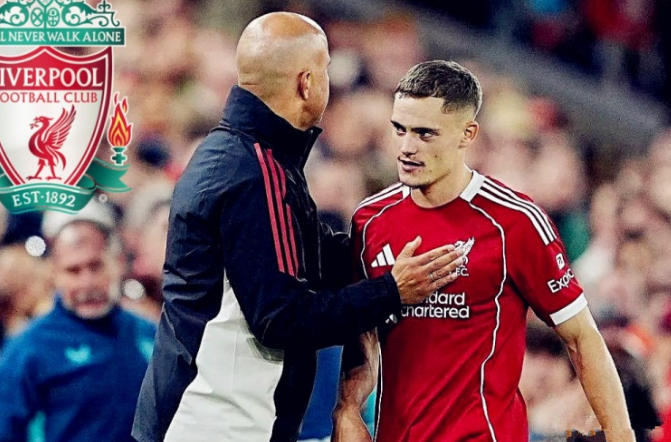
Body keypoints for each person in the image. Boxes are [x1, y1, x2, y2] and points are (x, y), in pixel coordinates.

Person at [132, 12, 464, 442]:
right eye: (325, 69)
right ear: (306, 83)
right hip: (217, 423)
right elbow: (281, 318)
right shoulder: (254, 172)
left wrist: (404, 235)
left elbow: (313, 258)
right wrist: (391, 291)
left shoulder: (246, 156)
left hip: (206, 416)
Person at [333, 60, 636, 442]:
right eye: (400, 129)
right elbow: (363, 334)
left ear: (467, 134)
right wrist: (347, 407)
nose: (407, 147)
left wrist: (621, 434)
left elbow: (581, 337)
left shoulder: (516, 222)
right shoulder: (370, 220)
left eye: (425, 133)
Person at [0, 220, 156, 442]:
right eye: (73, 271)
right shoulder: (27, 349)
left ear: (118, 263)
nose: (87, 282)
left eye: (96, 266)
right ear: (55, 274)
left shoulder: (148, 332)